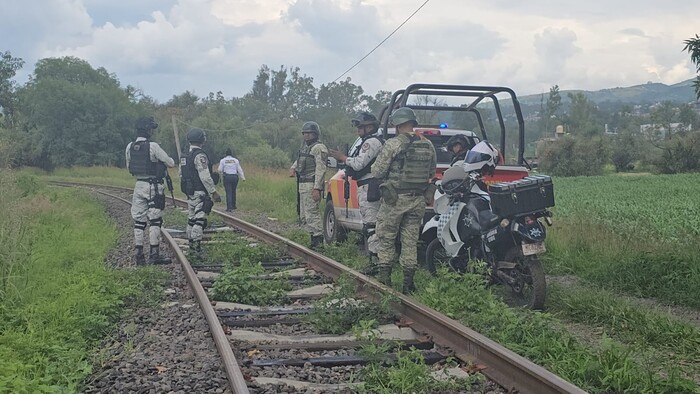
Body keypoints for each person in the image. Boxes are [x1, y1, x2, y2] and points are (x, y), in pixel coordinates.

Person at [371, 108, 437, 293]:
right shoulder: (428, 145)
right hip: (417, 200)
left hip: (395, 200)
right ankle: (408, 284)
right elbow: (431, 172)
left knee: (386, 238)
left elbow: (377, 172)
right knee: (410, 241)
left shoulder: (393, 144)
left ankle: (385, 280)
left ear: (397, 125)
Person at [329, 112, 384, 274]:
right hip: (368, 186)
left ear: (369, 127)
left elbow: (360, 164)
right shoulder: (369, 142)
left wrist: (343, 157)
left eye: (361, 127)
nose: (358, 130)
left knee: (371, 225)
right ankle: (377, 261)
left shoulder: (371, 142)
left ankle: (375, 263)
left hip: (370, 187)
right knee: (372, 225)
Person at [125, 116, 176, 265]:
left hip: (139, 185)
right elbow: (171, 163)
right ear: (147, 130)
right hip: (153, 186)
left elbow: (129, 167)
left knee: (139, 221)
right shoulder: (153, 146)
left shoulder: (129, 146)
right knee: (155, 220)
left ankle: (139, 255)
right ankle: (154, 255)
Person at [180, 128, 222, 257]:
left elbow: (181, 174)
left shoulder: (185, 156)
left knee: (191, 219)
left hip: (190, 192)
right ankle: (196, 248)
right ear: (201, 139)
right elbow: (205, 175)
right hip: (200, 191)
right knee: (200, 219)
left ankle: (191, 243)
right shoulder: (200, 156)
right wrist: (213, 192)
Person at [289, 121, 328, 249]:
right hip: (302, 184)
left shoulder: (319, 148)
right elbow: (300, 159)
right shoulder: (306, 147)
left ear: (315, 134)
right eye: (305, 133)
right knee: (305, 214)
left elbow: (321, 169)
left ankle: (318, 241)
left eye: (309, 133)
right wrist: (293, 168)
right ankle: (313, 239)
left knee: (312, 212)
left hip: (311, 184)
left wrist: (317, 188)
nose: (306, 136)